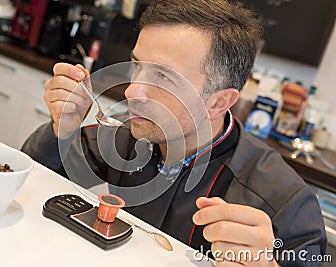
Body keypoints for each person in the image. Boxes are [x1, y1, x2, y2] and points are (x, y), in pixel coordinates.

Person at [22, 0, 327, 266]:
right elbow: (29, 179)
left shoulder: (286, 204)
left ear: (218, 102)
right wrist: (61, 129)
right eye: (138, 66)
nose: (132, 89)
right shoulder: (124, 138)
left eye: (163, 76)